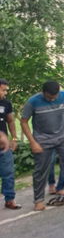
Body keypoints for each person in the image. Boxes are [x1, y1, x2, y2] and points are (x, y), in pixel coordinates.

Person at [20, 81, 64, 211]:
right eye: (50, 97)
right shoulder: (33, 102)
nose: (53, 99)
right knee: (41, 169)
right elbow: (24, 122)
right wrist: (32, 142)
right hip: (43, 139)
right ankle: (38, 200)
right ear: (44, 92)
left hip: (63, 135)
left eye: (55, 96)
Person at [0, 79, 20, 209]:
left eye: (6, 90)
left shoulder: (6, 104)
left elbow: (11, 121)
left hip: (4, 147)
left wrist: (14, 138)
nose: (5, 92)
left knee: (8, 173)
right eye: (3, 90)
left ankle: (9, 199)